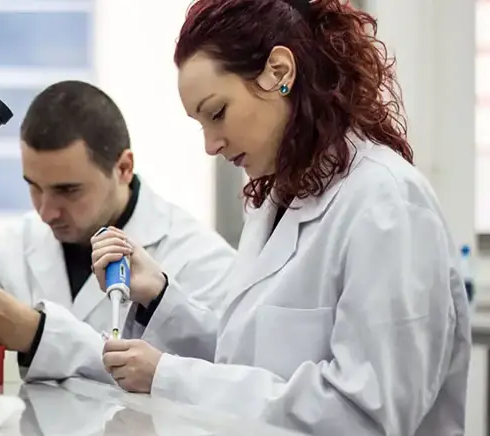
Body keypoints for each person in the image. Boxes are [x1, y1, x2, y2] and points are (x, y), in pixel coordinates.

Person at [90, 1, 471, 435]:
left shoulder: (387, 202)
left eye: (217, 113)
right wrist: (159, 295)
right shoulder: (276, 201)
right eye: (200, 123)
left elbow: (366, 415)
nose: (211, 145)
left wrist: (169, 377)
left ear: (279, 71)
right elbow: (250, 359)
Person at [0, 80, 237, 382]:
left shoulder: (202, 258)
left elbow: (209, 381)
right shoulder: (19, 242)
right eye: (34, 187)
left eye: (68, 190)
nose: (46, 211)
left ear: (123, 168)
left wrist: (36, 334)